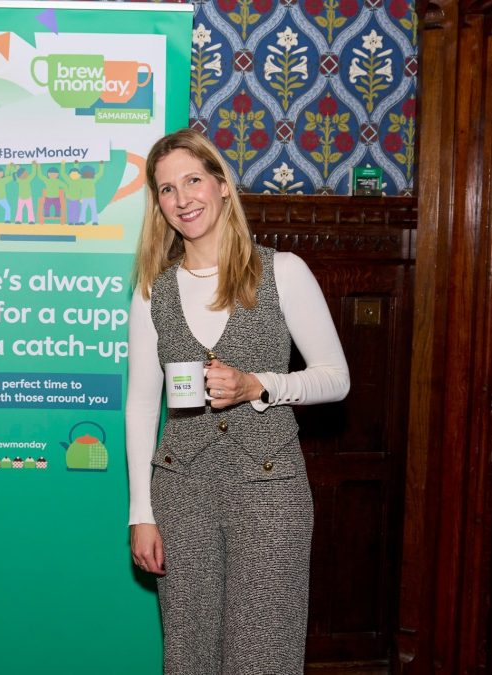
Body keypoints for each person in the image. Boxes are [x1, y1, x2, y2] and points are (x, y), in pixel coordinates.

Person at [125, 129, 350, 674]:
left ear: (222, 185)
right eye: (167, 189)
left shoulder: (283, 271)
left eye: (194, 180)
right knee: (189, 654)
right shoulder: (152, 288)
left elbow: (335, 378)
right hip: (182, 494)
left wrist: (259, 385)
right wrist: (141, 513)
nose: (183, 199)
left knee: (263, 655)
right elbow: (139, 405)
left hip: (270, 489)